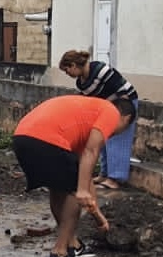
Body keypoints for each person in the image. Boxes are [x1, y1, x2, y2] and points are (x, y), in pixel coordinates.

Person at [11, 94, 136, 257]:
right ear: (126, 118)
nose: (113, 135)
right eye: (120, 131)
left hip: (23, 138)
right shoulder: (111, 112)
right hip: (47, 139)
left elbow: (83, 174)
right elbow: (91, 152)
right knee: (72, 193)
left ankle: (72, 244)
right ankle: (60, 253)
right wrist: (81, 190)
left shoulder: (85, 118)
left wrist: (98, 217)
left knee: (60, 188)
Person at [58, 50, 139, 190]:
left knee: (117, 139)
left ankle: (115, 178)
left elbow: (122, 93)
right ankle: (104, 173)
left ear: (73, 65)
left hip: (123, 105)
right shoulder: (81, 83)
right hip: (106, 108)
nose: (68, 74)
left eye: (67, 70)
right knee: (101, 139)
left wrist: (120, 114)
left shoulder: (101, 70)